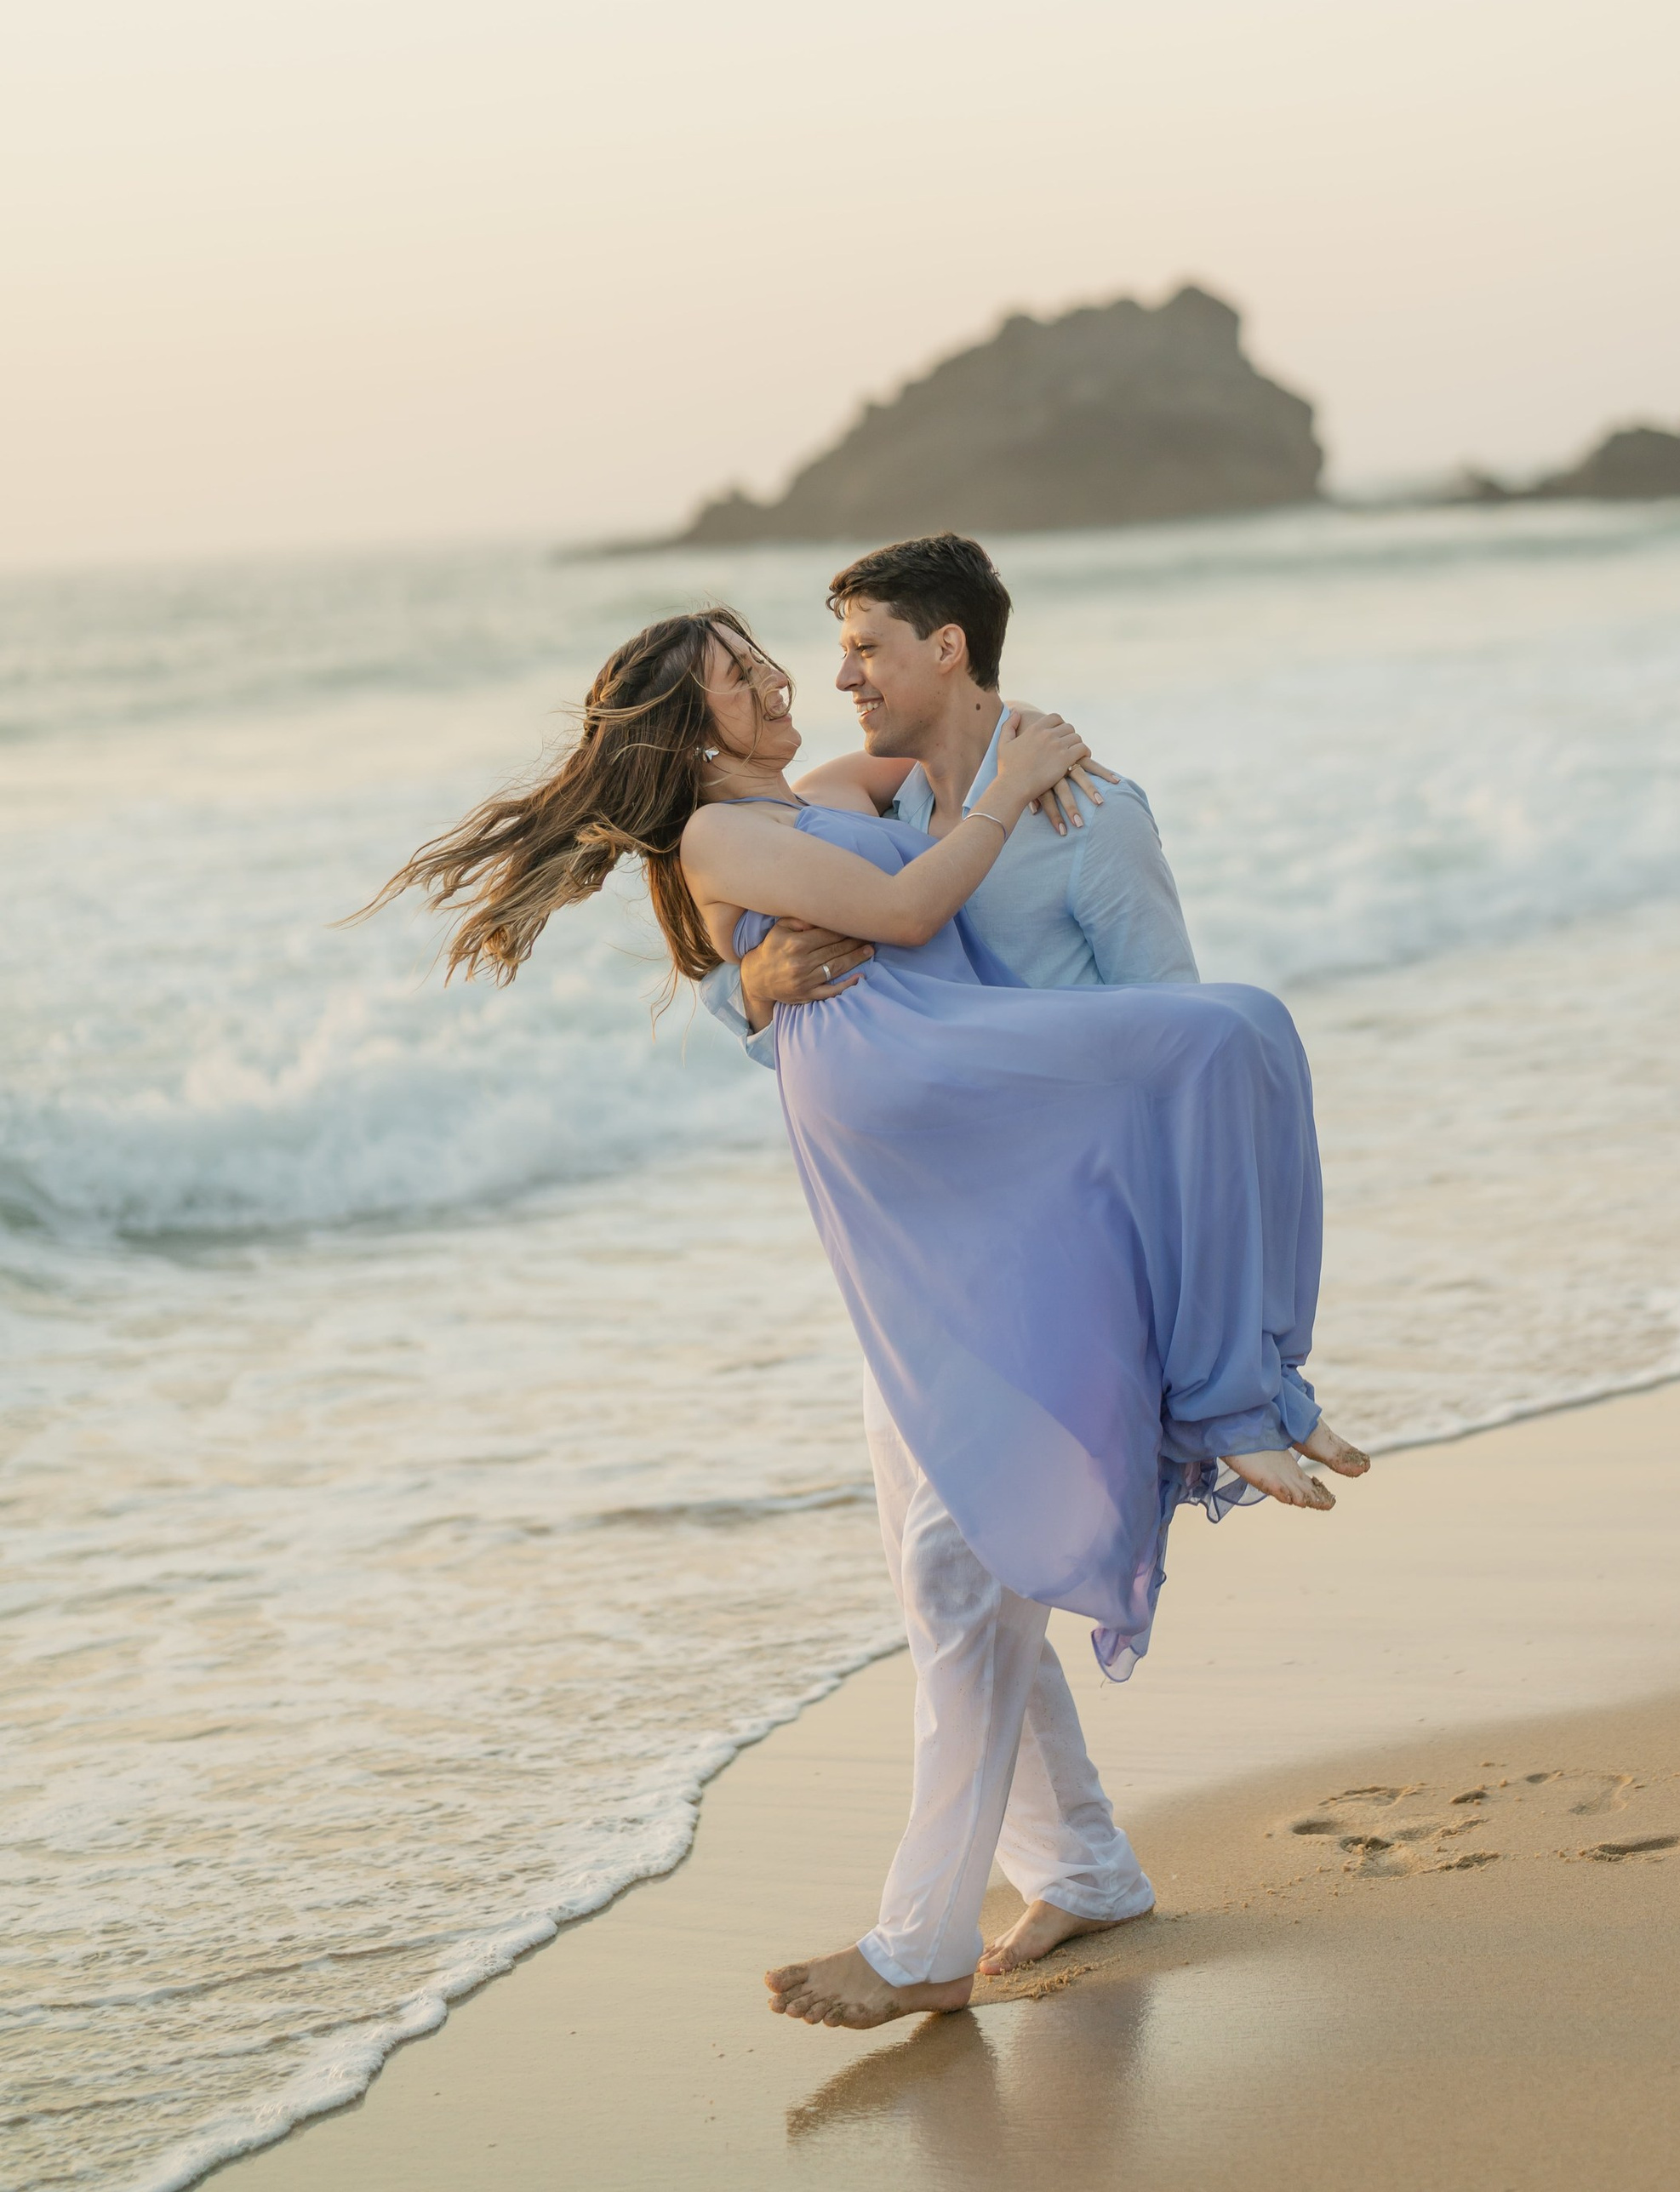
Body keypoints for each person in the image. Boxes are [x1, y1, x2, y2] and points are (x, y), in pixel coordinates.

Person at [365, 562, 1363, 2039]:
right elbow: (893, 905)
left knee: (955, 1562)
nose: (792, 679)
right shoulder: (725, 821)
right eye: (745, 671)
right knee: (942, 1564)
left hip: (970, 1162)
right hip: (918, 1174)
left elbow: (939, 765)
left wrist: (1028, 754)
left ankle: (938, 1928)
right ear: (686, 717)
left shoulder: (840, 790)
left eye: (816, 655)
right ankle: (1071, 1862)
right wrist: (754, 982)